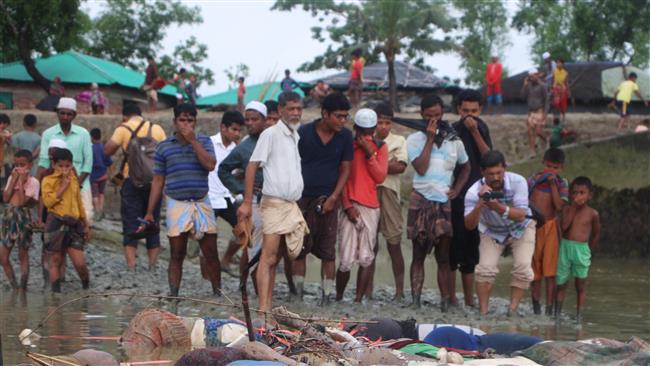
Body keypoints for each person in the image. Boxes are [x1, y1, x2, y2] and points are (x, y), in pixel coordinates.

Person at [237, 91, 309, 313]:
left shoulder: (295, 135)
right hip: (273, 203)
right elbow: (251, 166)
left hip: (289, 205)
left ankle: (266, 308)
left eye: (298, 108)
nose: (295, 112)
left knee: (278, 257)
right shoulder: (271, 134)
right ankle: (263, 310)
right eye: (291, 109)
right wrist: (247, 203)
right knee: (268, 258)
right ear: (280, 111)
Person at [144, 104, 220, 296]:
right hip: (177, 204)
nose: (186, 124)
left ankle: (218, 294)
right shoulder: (164, 147)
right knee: (177, 253)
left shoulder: (204, 141)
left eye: (190, 120)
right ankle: (174, 295)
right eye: (182, 120)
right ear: (175, 122)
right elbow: (158, 182)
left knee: (211, 252)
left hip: (201, 202)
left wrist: (193, 141)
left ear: (195, 122)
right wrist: (149, 212)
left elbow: (210, 165)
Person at [406, 95, 470, 311]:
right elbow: (421, 168)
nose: (433, 119)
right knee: (418, 254)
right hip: (420, 199)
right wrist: (430, 139)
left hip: (443, 201)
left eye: (437, 115)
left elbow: (466, 167)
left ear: (443, 113)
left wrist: (457, 189)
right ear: (422, 116)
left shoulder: (455, 141)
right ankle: (415, 300)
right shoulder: (414, 140)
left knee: (443, 256)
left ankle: (444, 302)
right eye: (428, 116)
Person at [296, 92, 353, 304]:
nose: (342, 121)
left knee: (329, 250)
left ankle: (326, 296)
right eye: (338, 116)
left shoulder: (345, 136)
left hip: (329, 198)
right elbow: (295, 163)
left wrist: (334, 197)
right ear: (325, 114)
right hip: (302, 198)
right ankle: (299, 294)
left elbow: (346, 169)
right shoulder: (304, 133)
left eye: (345, 116)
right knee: (300, 248)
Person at [464, 150, 536, 316]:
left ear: (505, 169)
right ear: (482, 172)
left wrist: (497, 206)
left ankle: (513, 310)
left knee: (523, 268)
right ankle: (483, 312)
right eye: (491, 174)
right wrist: (479, 204)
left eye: (499, 173)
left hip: (521, 227)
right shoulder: (473, 192)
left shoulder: (518, 182)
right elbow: (469, 225)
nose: (496, 178)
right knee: (484, 270)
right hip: (491, 230)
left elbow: (521, 216)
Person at [104, 104, 167, 271]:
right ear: (141, 115)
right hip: (155, 182)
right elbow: (166, 153)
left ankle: (131, 266)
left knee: (130, 223)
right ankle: (152, 266)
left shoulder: (123, 128)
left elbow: (107, 151)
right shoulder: (157, 129)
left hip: (130, 181)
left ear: (125, 116)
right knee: (152, 221)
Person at [336, 108, 387, 303]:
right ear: (355, 128)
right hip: (349, 204)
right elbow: (342, 177)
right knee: (346, 258)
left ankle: (357, 300)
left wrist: (369, 154)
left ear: (373, 129)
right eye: (362, 131)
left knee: (366, 256)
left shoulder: (380, 147)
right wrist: (347, 205)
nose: (366, 135)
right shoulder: (347, 146)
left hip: (371, 206)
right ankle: (339, 297)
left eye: (369, 131)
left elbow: (380, 176)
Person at [450, 89, 493, 308]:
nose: (469, 116)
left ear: (480, 110)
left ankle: (468, 300)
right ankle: (450, 297)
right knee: (452, 244)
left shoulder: (482, 127)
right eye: (465, 111)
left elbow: (489, 157)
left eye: (474, 111)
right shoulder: (453, 130)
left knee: (471, 246)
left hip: (475, 194)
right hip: (455, 194)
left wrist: (475, 132)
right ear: (459, 110)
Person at [367, 102, 407, 300]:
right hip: (369, 192)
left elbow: (400, 167)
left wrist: (375, 162)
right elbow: (391, 165)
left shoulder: (399, 140)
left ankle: (399, 291)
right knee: (370, 244)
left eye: (387, 122)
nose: (383, 126)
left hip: (390, 192)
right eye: (379, 122)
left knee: (394, 242)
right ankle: (367, 290)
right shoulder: (366, 140)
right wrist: (386, 163)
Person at [37, 98, 94, 223]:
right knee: (55, 218)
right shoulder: (48, 134)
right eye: (62, 113)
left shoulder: (83, 134)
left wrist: (76, 184)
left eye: (69, 114)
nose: (65, 117)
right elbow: (44, 162)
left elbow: (88, 164)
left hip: (80, 183)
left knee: (85, 217)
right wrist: (38, 185)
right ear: (57, 113)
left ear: (74, 115)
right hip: (54, 184)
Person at [41, 148, 90, 292]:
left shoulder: (74, 179)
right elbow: (49, 202)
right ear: (54, 165)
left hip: (74, 223)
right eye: (60, 166)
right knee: (55, 260)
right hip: (55, 222)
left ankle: (86, 288)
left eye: (67, 166)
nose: (64, 169)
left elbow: (78, 202)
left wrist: (85, 223)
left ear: (72, 165)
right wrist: (63, 186)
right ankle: (56, 295)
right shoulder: (48, 180)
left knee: (79, 262)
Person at [528, 148, 569, 316]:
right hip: (533, 227)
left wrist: (552, 185)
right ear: (543, 163)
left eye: (556, 168)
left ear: (561, 168)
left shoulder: (562, 183)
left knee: (550, 272)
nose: (552, 171)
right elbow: (525, 202)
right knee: (534, 271)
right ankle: (536, 309)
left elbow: (559, 206)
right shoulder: (532, 180)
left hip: (551, 228)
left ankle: (550, 310)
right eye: (549, 166)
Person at [555, 176, 601, 323]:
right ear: (570, 194)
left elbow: (596, 233)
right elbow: (564, 227)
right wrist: (573, 208)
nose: (577, 196)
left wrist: (589, 251)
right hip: (565, 247)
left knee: (580, 285)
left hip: (582, 250)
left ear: (590, 195)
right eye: (574, 193)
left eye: (582, 193)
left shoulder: (593, 214)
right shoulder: (567, 209)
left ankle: (579, 317)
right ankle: (556, 316)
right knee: (561, 283)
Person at [208, 110, 244, 274]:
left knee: (244, 230)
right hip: (208, 198)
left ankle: (226, 260)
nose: (237, 133)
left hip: (227, 197)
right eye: (234, 129)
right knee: (208, 240)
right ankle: (206, 278)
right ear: (223, 127)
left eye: (239, 130)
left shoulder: (237, 150)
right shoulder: (208, 144)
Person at [0, 150, 39, 289]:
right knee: (3, 257)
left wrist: (21, 183)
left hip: (23, 217)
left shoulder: (34, 182)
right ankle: (14, 286)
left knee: (23, 253)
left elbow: (22, 202)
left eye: (22, 165)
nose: (18, 168)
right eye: (16, 165)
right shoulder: (12, 177)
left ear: (30, 164)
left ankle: (23, 288)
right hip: (9, 216)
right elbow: (5, 198)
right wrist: (14, 180)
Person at [521, 69, 548, 157]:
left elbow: (546, 100)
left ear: (537, 75)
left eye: (534, 76)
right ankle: (532, 151)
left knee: (538, 131)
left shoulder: (542, 86)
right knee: (530, 132)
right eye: (531, 76)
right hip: (531, 112)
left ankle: (547, 139)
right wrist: (524, 86)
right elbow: (522, 97)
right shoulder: (528, 86)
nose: (533, 78)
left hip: (540, 111)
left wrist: (545, 113)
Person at [89, 128, 112, 221]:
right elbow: (109, 162)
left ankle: (97, 211)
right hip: (103, 175)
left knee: (95, 195)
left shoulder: (91, 149)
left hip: (93, 176)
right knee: (101, 193)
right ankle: (101, 210)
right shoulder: (105, 147)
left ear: (92, 137)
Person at [552, 59, 570, 123]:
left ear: (563, 64)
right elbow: (553, 80)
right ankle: (555, 118)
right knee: (556, 104)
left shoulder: (565, 73)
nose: (558, 64)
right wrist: (552, 88)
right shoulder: (554, 71)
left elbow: (566, 82)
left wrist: (568, 91)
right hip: (556, 89)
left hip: (563, 90)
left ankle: (563, 119)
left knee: (563, 105)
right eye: (557, 63)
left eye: (559, 63)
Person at [0, 113, 12, 185]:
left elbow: (9, 143)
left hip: (4, 158)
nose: (2, 125)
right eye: (1, 123)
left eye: (5, 124)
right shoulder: (4, 133)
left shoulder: (6, 132)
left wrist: (8, 139)